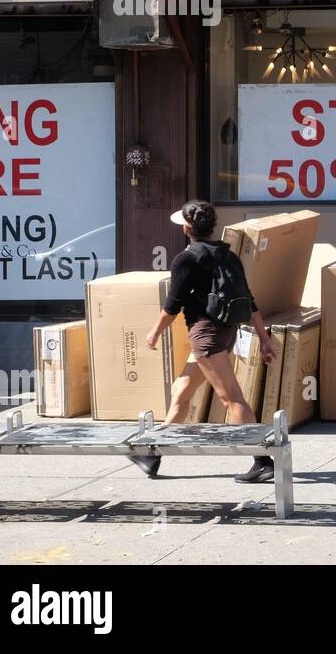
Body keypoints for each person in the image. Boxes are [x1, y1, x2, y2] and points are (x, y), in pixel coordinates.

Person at [127, 200, 278, 483]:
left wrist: (154, 332)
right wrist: (263, 337)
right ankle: (152, 453)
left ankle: (262, 460)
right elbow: (250, 300)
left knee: (231, 396)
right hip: (225, 331)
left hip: (206, 335)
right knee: (182, 390)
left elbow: (173, 304)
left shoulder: (186, 258)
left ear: (187, 228)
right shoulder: (229, 256)